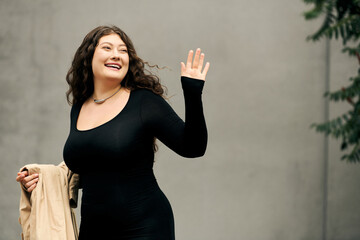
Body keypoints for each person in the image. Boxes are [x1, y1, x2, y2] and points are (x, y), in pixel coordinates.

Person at [16, 25, 209, 239]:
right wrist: (41, 180)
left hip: (145, 228)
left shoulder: (144, 102)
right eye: (107, 48)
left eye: (123, 50)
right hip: (94, 230)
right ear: (89, 56)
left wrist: (192, 92)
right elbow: (92, 168)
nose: (116, 55)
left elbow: (193, 148)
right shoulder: (80, 106)